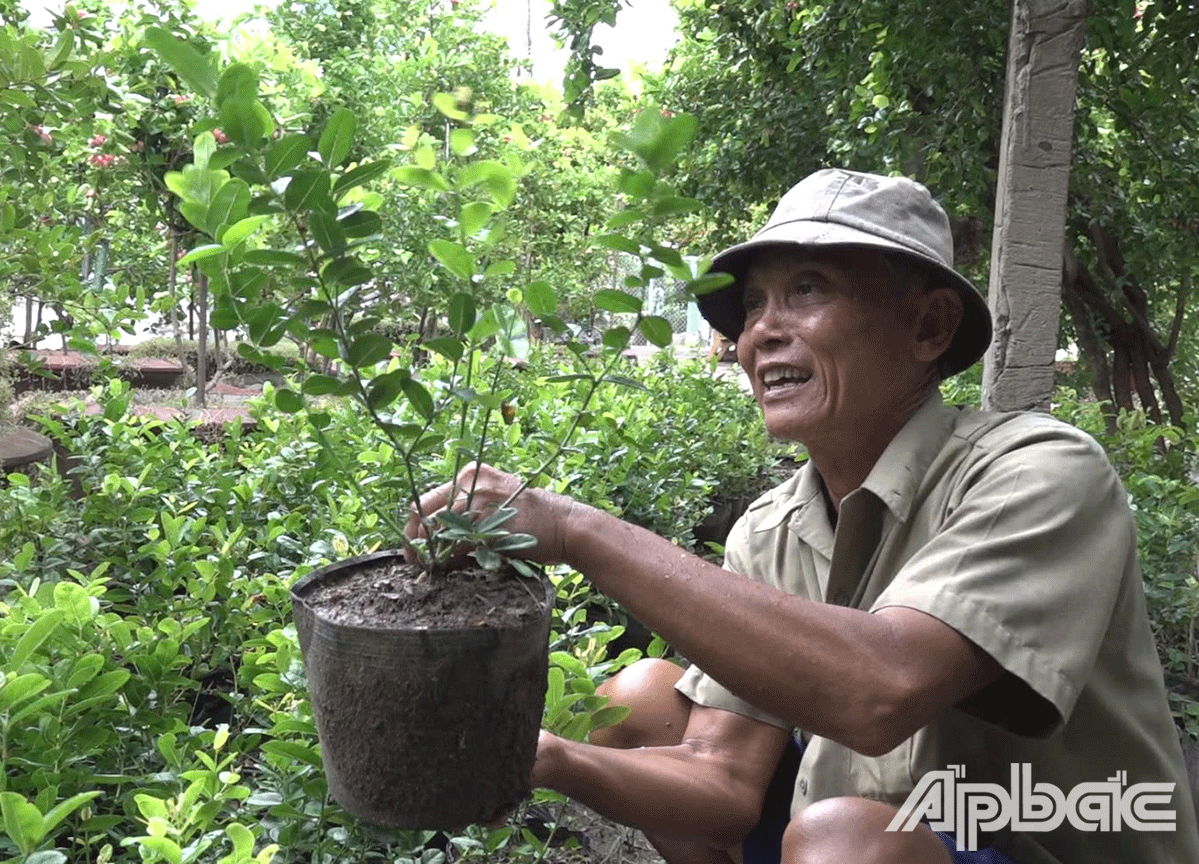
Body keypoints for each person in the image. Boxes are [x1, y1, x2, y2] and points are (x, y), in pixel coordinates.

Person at [404, 169, 1199, 864]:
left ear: (929, 327)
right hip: (874, 833)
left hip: (1033, 841)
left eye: (808, 290)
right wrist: (548, 760)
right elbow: (723, 781)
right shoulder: (772, 528)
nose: (760, 334)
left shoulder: (1038, 471)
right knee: (640, 699)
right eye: (752, 306)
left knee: (842, 840)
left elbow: (879, 690)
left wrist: (578, 530)